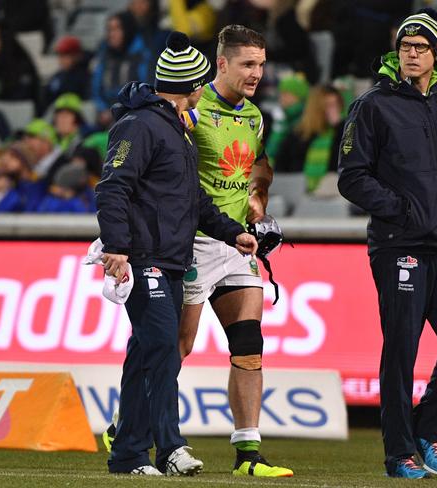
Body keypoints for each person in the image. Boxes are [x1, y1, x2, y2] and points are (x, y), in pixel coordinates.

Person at [337, 8, 437, 479]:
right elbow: (351, 177)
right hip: (398, 244)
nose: (411, 53)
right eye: (405, 46)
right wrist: (402, 210)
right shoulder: (373, 105)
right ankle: (399, 453)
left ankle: (426, 428)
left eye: (421, 47)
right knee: (401, 349)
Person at [97, 31, 258, 476]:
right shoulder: (140, 126)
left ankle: (129, 454)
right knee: (164, 347)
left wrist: (233, 234)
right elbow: (113, 187)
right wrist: (116, 248)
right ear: (192, 85)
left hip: (169, 259)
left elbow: (194, 201)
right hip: (144, 258)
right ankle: (169, 447)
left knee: (145, 354)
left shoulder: (176, 127)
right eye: (200, 82)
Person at [178, 24, 292, 477]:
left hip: (237, 245)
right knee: (177, 346)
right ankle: (127, 422)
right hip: (194, 242)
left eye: (261, 64)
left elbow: (260, 163)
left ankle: (248, 455)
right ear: (221, 63)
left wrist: (258, 196)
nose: (256, 73)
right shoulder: (192, 110)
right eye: (248, 64)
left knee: (249, 346)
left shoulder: (253, 116)